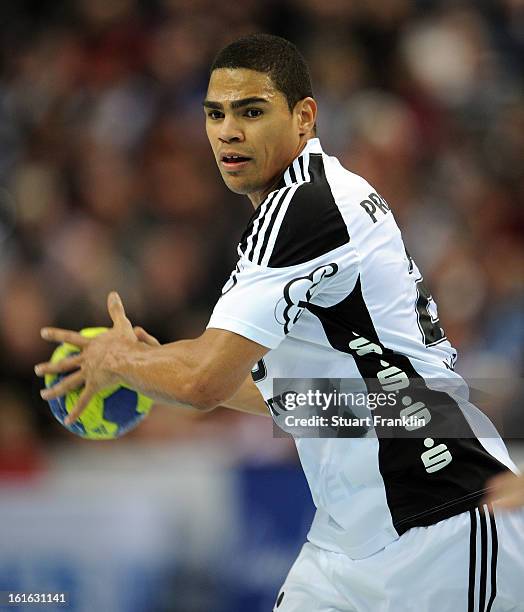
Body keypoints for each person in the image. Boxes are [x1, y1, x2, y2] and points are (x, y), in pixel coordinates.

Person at [35, 34, 524, 611]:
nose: (228, 131)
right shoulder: (306, 207)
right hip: (347, 543)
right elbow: (311, 400)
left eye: (252, 111)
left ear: (304, 118)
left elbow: (204, 382)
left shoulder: (306, 208)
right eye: (214, 114)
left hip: (442, 526)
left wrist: (123, 361)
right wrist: (151, 369)